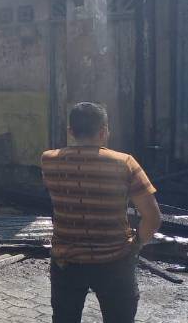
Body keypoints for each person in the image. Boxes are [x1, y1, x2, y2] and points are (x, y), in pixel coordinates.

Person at [41, 102, 161, 323]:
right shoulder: (125, 163)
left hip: (66, 261)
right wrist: (136, 245)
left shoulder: (49, 160)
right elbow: (153, 217)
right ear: (104, 131)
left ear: (70, 132)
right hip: (114, 261)